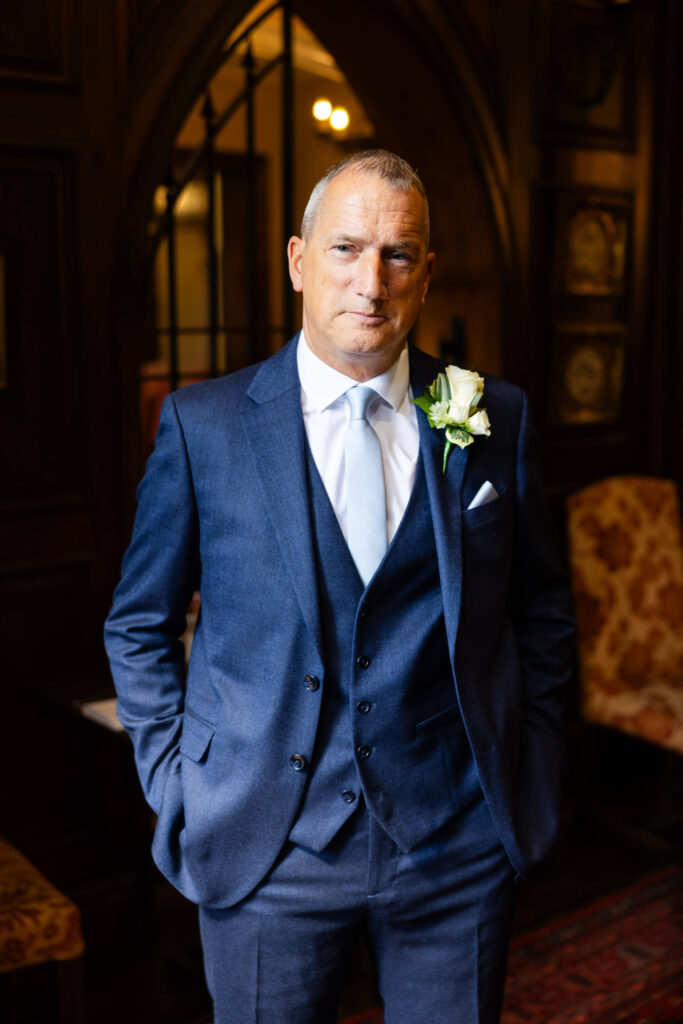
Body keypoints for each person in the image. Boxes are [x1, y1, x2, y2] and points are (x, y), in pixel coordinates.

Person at [104, 149, 574, 1024]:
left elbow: (540, 611)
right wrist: (179, 784)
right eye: (346, 249)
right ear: (297, 260)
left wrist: (532, 772)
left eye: (398, 255)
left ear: (426, 274)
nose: (371, 281)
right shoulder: (203, 426)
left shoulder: (490, 415)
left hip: (454, 843)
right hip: (263, 849)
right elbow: (138, 625)